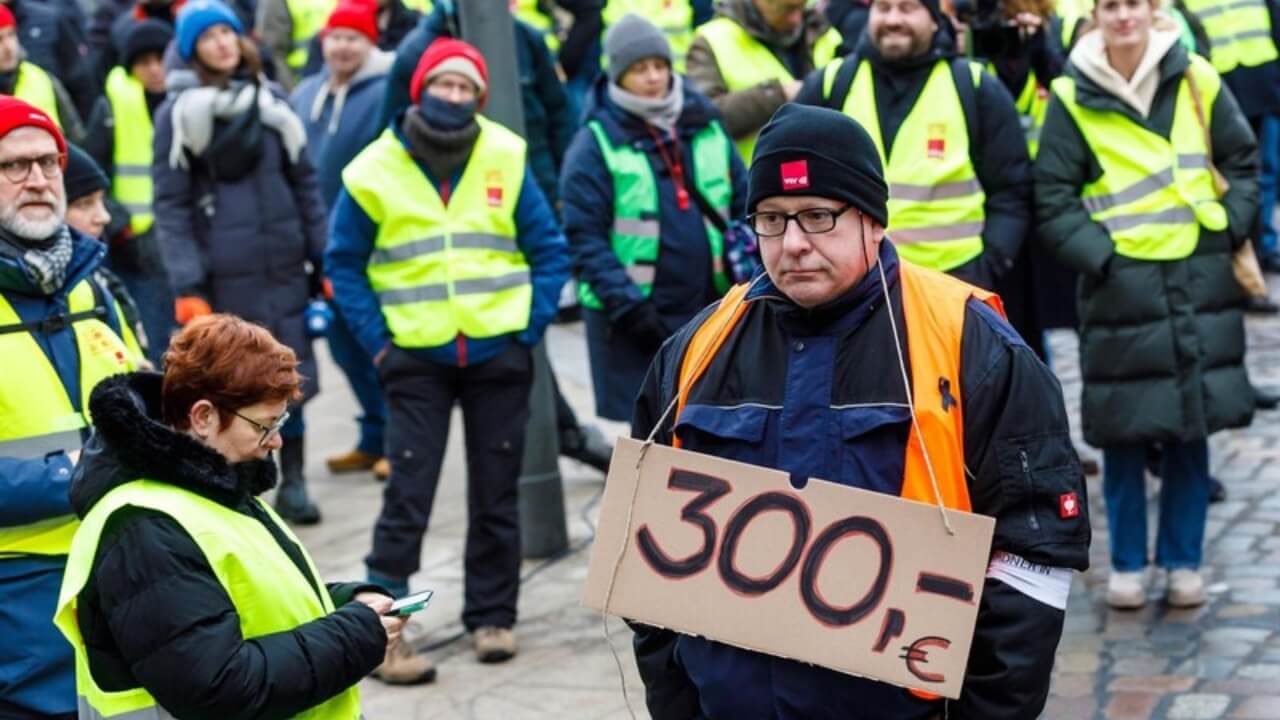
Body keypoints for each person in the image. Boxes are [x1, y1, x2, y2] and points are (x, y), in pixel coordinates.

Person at [630, 103, 1089, 719]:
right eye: (771, 219)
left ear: (873, 218)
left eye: (819, 216)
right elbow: (647, 559)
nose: (793, 243)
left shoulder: (971, 343)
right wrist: (680, 703)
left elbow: (1031, 562)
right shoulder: (693, 350)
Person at [326, 37, 570, 675]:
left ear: (479, 97)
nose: (454, 97)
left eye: (467, 89)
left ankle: (493, 617)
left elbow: (549, 249)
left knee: (496, 494)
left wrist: (531, 325)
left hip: (498, 354)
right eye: (445, 84)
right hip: (415, 358)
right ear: (419, 89)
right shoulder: (373, 169)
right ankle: (385, 633)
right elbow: (343, 264)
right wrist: (379, 343)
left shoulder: (505, 156)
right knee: (408, 494)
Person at [54, 314, 403, 719]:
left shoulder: (211, 484)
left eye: (281, 422)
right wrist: (354, 634)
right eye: (264, 425)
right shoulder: (145, 529)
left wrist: (346, 603)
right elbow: (220, 687)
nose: (275, 441)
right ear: (202, 417)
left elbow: (246, 599)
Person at [1034, 0, 1257, 608]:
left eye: (1133, 3)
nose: (1123, 16)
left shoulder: (1195, 77)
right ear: (1097, 15)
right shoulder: (1072, 95)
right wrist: (1101, 257)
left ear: (1152, 10)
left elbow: (1241, 158)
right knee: (1121, 429)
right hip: (1120, 287)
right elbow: (1051, 195)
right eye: (1110, 5)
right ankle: (1128, 565)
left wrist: (1229, 228)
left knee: (1193, 423)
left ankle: (1184, 563)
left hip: (1197, 276)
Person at [377, 1, 613, 473]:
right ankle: (561, 431)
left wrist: (560, 184)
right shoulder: (416, 51)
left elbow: (556, 110)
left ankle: (560, 429)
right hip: (452, 221)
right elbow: (390, 136)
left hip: (530, 193)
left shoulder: (522, 37)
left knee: (522, 325)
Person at [153, 0, 330, 525]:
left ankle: (293, 479)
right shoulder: (177, 116)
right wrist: (187, 282)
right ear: (192, 51)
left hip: (284, 267)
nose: (222, 44)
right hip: (225, 277)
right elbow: (171, 204)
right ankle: (244, 486)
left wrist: (323, 256)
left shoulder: (273, 101)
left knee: (289, 377)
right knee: (236, 387)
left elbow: (305, 184)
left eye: (227, 34)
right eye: (208, 38)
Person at [0, 98, 141, 720]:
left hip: (123, 566)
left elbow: (146, 403)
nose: (37, 179)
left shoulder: (92, 284)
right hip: (19, 592)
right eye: (13, 166)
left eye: (48, 162)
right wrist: (78, 474)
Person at [561, 15, 747, 422]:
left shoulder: (706, 125)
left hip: (711, 307)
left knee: (714, 424)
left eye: (659, 66)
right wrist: (631, 310)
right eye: (639, 69)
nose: (653, 77)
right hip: (637, 322)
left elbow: (742, 201)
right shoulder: (595, 143)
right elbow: (584, 238)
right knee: (647, 434)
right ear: (618, 76)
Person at [796, 0, 1032, 294]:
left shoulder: (973, 86)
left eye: (907, 8)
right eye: (883, 8)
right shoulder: (830, 85)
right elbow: (793, 187)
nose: (893, 19)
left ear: (934, 19)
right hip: (852, 287)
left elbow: (1012, 189)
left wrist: (990, 265)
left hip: (953, 284)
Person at [291, 1, 395, 478]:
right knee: (340, 347)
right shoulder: (306, 92)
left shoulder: (383, 94)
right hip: (317, 245)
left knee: (370, 340)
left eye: (354, 38)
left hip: (367, 246)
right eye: (336, 37)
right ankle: (372, 435)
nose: (343, 46)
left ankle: (395, 440)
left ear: (370, 43)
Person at [83, 19, 178, 367]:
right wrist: (121, 225)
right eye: (144, 62)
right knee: (152, 340)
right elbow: (94, 174)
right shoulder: (110, 107)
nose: (155, 69)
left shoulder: (191, 99)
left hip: (185, 239)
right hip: (136, 246)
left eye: (161, 58)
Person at [1181, 0, 1280, 294]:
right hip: (1219, 85)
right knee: (1229, 178)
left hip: (1262, 78)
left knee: (1266, 171)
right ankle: (1243, 248)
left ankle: (1265, 246)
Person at [686, 0, 840, 164]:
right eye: (786, 8)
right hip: (756, 179)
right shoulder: (713, 40)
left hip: (827, 173)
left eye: (801, 7)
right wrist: (776, 94)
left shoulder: (823, 31)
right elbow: (702, 117)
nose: (796, 18)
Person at [0, 5, 83, 141]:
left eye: (11, 35)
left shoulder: (41, 78)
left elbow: (74, 134)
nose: (9, 47)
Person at [256, 0, 339, 88]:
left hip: (336, 79)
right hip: (298, 78)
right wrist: (293, 92)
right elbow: (274, 52)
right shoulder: (277, 3)